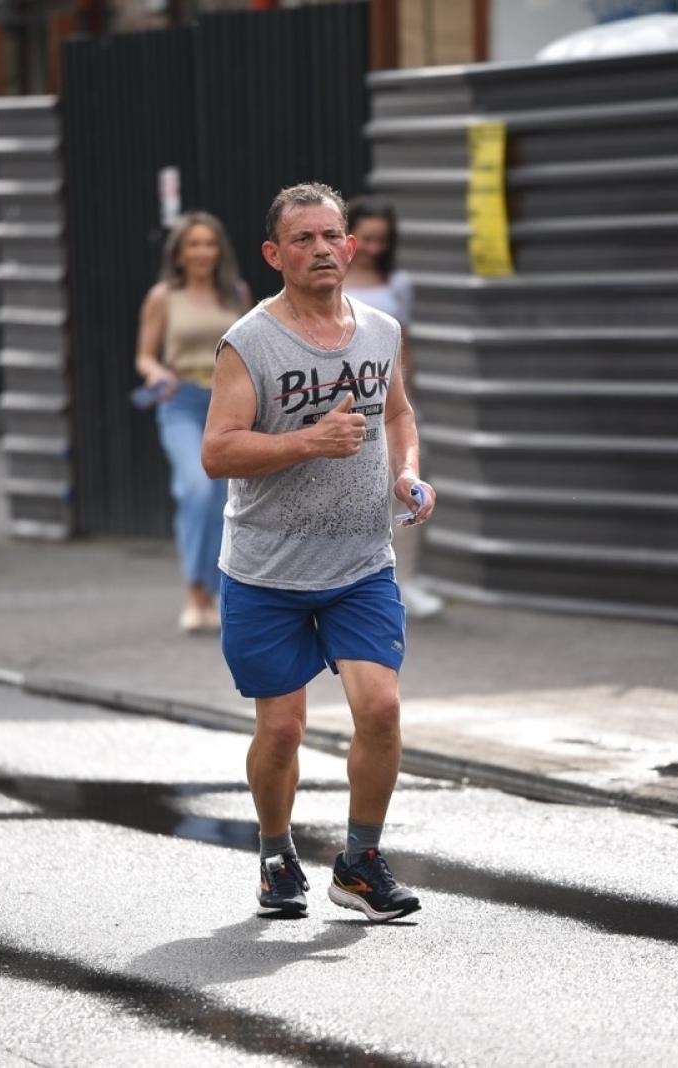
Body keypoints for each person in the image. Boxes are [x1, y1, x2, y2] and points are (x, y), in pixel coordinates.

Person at [202, 182, 436, 923]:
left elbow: (398, 413)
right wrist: (310, 440)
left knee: (383, 708)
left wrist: (405, 474)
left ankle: (360, 862)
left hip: (360, 561)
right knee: (282, 729)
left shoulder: (381, 331)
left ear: (352, 246)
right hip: (268, 570)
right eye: (302, 239)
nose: (321, 249)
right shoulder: (251, 342)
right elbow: (217, 453)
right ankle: (277, 854)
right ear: (275, 254)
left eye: (331, 236)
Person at [135, 212, 252, 633]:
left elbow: (252, 349)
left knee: (230, 502)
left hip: (230, 405)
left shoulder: (237, 294)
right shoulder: (163, 297)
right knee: (197, 491)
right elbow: (145, 354)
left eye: (210, 244)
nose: (202, 252)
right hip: (182, 403)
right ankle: (195, 592)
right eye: (193, 244)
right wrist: (155, 372)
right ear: (179, 253)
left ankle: (226, 594)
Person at [344, 197, 445, 621]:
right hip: (347, 400)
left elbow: (407, 344)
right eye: (366, 239)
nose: (373, 247)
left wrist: (412, 395)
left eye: (382, 240)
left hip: (395, 396)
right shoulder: (333, 281)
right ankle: (359, 579)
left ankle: (406, 578)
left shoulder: (398, 283)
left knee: (410, 479)